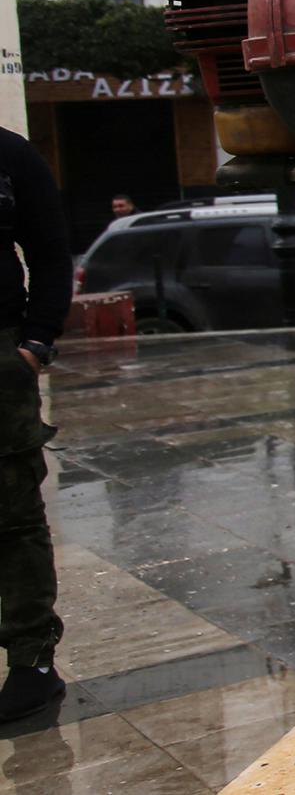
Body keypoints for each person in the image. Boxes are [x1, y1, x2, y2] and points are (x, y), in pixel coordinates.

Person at [0, 127, 73, 725]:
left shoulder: (10, 155)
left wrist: (35, 342)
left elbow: (51, 252)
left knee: (13, 515)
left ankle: (32, 663)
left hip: (0, 358)